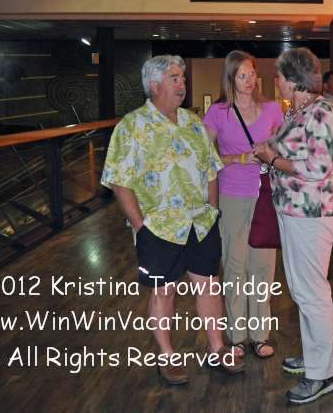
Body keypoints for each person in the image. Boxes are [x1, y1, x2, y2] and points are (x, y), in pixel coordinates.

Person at [101, 55, 244, 385]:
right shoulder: (131, 126)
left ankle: (217, 347)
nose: (182, 85)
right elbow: (120, 181)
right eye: (174, 79)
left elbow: (211, 168)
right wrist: (141, 228)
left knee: (209, 286)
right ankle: (167, 356)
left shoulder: (193, 122)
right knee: (164, 292)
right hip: (159, 228)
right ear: (154, 86)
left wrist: (212, 209)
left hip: (200, 224)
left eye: (182, 79)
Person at [252, 47, 333, 405]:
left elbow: (317, 168)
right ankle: (321, 355)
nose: (275, 81)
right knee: (307, 291)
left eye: (278, 76)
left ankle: (322, 374)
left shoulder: (321, 112)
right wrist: (268, 154)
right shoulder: (299, 110)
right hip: (295, 212)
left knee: (311, 293)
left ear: (293, 80)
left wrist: (273, 158)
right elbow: (287, 152)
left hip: (312, 214)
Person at [202, 51, 283, 361]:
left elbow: (283, 149)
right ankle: (236, 337)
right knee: (235, 266)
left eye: (252, 74)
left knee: (263, 267)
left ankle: (259, 335)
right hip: (232, 195)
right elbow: (204, 157)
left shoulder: (273, 109)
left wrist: (271, 153)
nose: (249, 80)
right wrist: (238, 158)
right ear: (230, 79)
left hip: (265, 196)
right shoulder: (218, 113)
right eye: (241, 75)